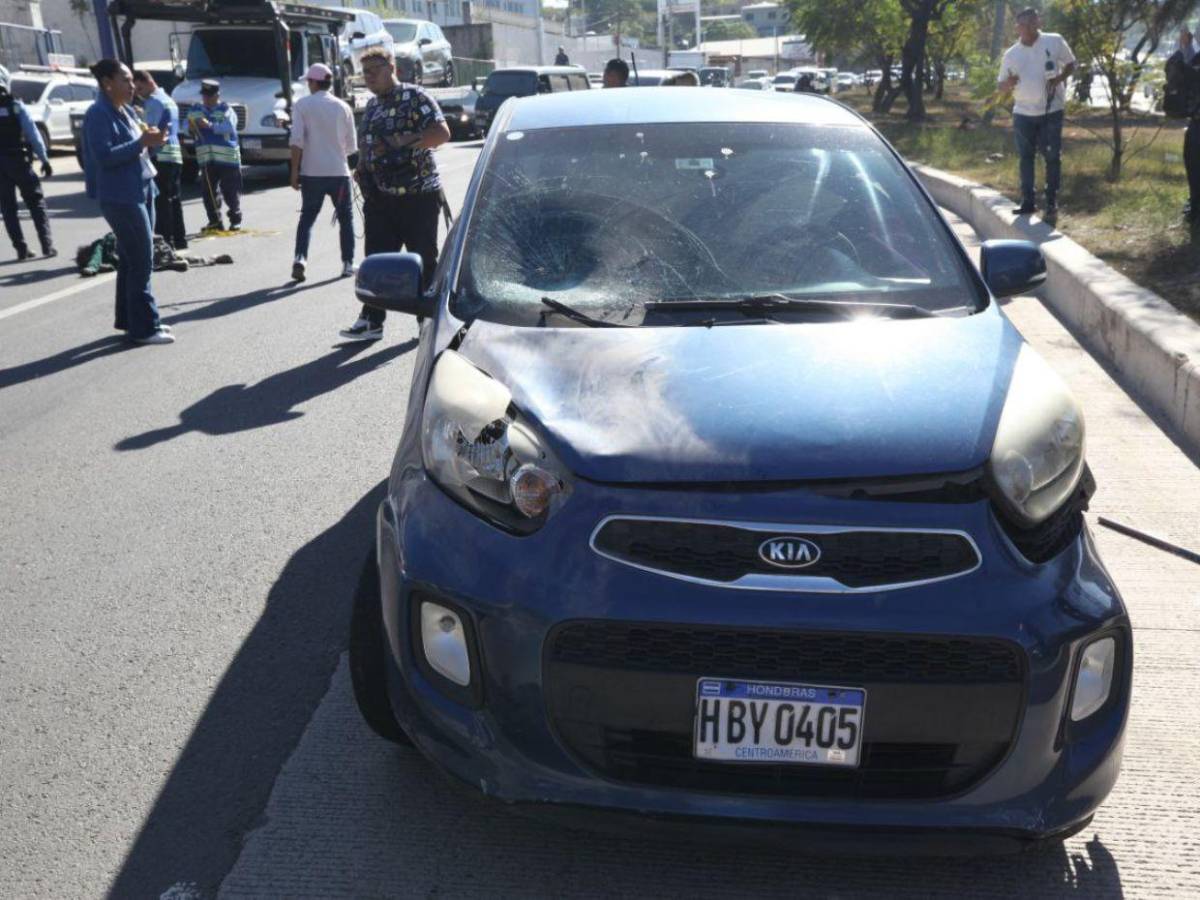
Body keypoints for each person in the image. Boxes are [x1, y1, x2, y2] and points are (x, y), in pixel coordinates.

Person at [340, 48, 450, 342]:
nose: (370, 76)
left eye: (375, 69)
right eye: (365, 72)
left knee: (423, 259)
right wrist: (362, 169)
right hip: (380, 198)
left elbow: (441, 133)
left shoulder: (416, 97)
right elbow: (366, 146)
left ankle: (426, 321)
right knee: (376, 260)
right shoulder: (372, 106)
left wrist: (399, 143)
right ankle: (372, 320)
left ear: (392, 68)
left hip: (418, 196)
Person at [82, 59, 174, 345]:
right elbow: (104, 157)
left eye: (133, 80)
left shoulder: (124, 111)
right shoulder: (99, 113)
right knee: (141, 262)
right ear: (107, 83)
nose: (132, 85)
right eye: (125, 80)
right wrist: (141, 143)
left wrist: (154, 140)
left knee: (130, 260)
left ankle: (130, 319)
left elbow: (139, 146)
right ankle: (146, 327)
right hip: (122, 196)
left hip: (142, 189)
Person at [997, 7, 1075, 226]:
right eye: (1024, 24)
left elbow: (1071, 63)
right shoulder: (1011, 54)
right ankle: (1028, 201)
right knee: (1026, 158)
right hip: (1023, 114)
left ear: (1038, 22)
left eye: (1033, 22)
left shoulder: (1054, 41)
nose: (1029, 27)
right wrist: (1008, 84)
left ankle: (1051, 202)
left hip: (1052, 111)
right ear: (1018, 27)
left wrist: (1059, 78)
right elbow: (1001, 85)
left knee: (1052, 157)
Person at [289, 62, 357, 282]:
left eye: (309, 81)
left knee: (307, 218)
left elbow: (297, 141)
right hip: (339, 172)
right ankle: (347, 263)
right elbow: (351, 145)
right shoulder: (343, 107)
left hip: (311, 173)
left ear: (315, 82)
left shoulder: (302, 105)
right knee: (346, 219)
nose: (308, 84)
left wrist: (294, 172)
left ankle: (300, 258)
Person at [0, 66, 55, 260]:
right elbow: (33, 135)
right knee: (36, 203)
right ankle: (47, 246)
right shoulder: (16, 106)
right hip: (19, 161)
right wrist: (44, 159)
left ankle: (21, 249)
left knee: (8, 208)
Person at [133, 69, 188, 250]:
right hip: (175, 155)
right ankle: (180, 239)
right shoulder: (169, 99)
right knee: (174, 199)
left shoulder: (154, 101)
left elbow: (152, 131)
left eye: (139, 89)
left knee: (161, 200)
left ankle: (166, 241)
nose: (138, 94)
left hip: (161, 154)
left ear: (148, 82)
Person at [187, 79, 242, 232]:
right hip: (206, 157)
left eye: (210, 96)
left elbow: (229, 127)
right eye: (204, 95)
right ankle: (215, 221)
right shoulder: (196, 109)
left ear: (217, 95)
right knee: (208, 192)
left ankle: (235, 219)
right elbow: (187, 127)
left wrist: (209, 126)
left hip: (227, 158)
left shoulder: (226, 109)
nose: (206, 99)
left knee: (230, 191)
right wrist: (191, 127)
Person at [1169, 28, 1200, 224]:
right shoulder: (1196, 58)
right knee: (1194, 166)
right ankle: (1195, 208)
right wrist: (1186, 47)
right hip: (1197, 123)